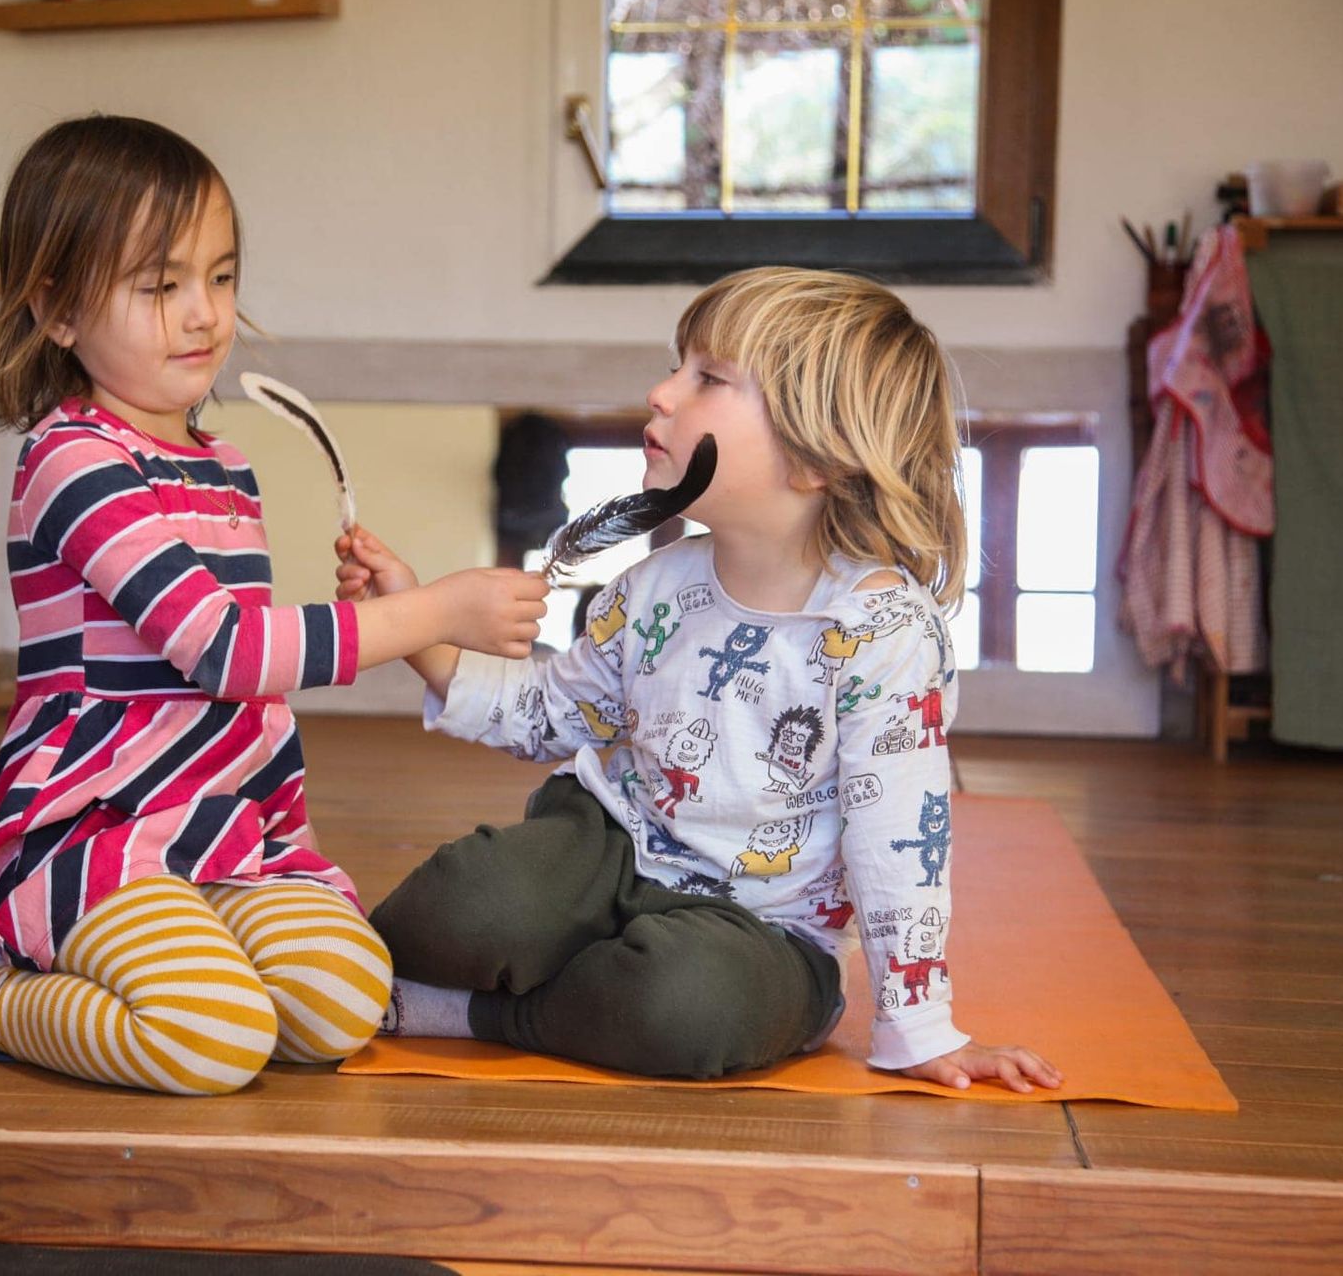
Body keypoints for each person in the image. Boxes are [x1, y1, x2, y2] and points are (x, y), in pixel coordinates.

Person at [0, 115, 548, 1096]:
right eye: (159, 285)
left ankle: (194, 931)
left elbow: (233, 679)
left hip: (221, 828)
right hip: (99, 832)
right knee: (212, 1038)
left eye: (220, 275)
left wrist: (396, 601)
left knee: (343, 998)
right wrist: (433, 613)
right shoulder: (72, 459)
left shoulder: (224, 466)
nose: (204, 313)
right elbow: (221, 649)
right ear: (57, 310)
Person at [336, 268, 1062, 1093]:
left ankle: (476, 1014)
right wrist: (417, 628)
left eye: (708, 379)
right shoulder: (652, 591)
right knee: (461, 904)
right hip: (611, 847)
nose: (662, 392)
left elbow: (901, 844)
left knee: (681, 1004)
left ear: (816, 454)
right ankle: (531, 971)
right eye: (678, 367)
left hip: (767, 932)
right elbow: (545, 715)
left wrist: (921, 1026)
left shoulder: (883, 633)